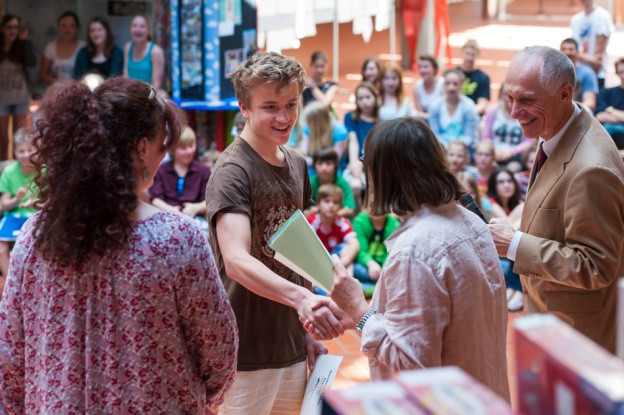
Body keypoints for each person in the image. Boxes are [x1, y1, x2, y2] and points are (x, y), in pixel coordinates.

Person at [0, 78, 238, 413]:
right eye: (162, 145)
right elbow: (218, 352)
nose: (163, 156)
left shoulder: (33, 239)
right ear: (142, 148)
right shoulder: (176, 240)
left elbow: (10, 359)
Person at [316, 117, 510, 401]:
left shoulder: (415, 250)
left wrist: (360, 311)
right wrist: (370, 314)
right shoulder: (470, 221)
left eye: (365, 162)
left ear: (384, 173)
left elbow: (411, 366)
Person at [205, 51, 349, 415]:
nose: (284, 117)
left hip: (291, 346)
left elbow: (295, 254)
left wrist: (303, 331)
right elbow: (236, 261)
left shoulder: (299, 163)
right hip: (244, 352)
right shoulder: (233, 170)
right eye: (270, 106)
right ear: (244, 107)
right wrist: (303, 301)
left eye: (291, 104)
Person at [488, 46, 624, 353]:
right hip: (554, 324)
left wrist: (514, 244)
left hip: (577, 339)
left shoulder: (590, 169)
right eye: (510, 98)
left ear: (565, 94)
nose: (514, 111)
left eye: (526, 100)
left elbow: (596, 265)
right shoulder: (563, 129)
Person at [149, 126, 212, 233]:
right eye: (183, 148)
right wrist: (171, 210)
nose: (189, 151)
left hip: (196, 220)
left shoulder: (204, 171)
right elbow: (155, 198)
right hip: (165, 219)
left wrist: (195, 208)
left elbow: (210, 201)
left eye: (191, 146)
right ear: (173, 150)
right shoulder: (161, 170)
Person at [0, 128, 38, 290]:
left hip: (37, 216)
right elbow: (4, 204)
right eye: (21, 151)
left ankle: (35, 285)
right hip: (13, 218)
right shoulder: (9, 171)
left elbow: (52, 201)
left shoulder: (44, 169)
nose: (26, 155)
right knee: (1, 248)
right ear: (15, 152)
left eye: (30, 150)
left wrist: (34, 203)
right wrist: (17, 198)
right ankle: (12, 288)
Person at [487, 169, 524, 312]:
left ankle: (515, 289)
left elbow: (509, 232)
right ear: (494, 186)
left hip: (510, 255)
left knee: (520, 240)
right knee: (519, 238)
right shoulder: (489, 203)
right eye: (501, 182)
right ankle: (515, 290)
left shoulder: (519, 205)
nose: (506, 185)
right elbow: (505, 228)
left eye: (509, 181)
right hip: (494, 257)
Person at [0, 14, 35, 161]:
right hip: (2, 99)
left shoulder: (23, 45)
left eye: (15, 27)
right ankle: (2, 173)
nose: (12, 31)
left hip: (20, 98)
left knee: (19, 138)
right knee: (3, 140)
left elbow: (31, 62)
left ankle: (18, 168)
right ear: (2, 29)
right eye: (9, 27)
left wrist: (23, 41)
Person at [307, 184, 360, 276]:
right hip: (317, 262)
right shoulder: (311, 221)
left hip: (337, 263)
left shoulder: (342, 222)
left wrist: (341, 265)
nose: (331, 205)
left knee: (347, 248)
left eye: (335, 202)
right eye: (327, 201)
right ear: (318, 204)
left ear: (340, 207)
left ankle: (345, 282)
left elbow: (355, 244)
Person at [481, 84, 535, 172]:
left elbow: (529, 141)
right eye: (505, 94)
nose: (508, 99)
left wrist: (511, 152)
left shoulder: (526, 113)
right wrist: (494, 150)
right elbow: (486, 137)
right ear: (500, 95)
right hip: (494, 152)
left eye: (512, 96)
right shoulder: (492, 111)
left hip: (516, 155)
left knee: (512, 169)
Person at [343, 82, 380, 208]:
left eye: (368, 97)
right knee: (355, 186)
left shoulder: (381, 122)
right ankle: (358, 217)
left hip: (372, 166)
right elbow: (353, 140)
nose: (364, 102)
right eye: (360, 98)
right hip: (355, 164)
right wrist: (354, 162)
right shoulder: (351, 117)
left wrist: (364, 164)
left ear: (375, 97)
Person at [352, 208, 400, 298]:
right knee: (357, 270)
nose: (376, 208)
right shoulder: (359, 221)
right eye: (372, 204)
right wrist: (370, 263)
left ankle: (367, 289)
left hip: (384, 267)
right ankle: (382, 289)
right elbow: (360, 251)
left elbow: (390, 253)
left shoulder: (395, 224)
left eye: (380, 204)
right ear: (365, 206)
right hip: (365, 266)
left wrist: (384, 270)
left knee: (396, 273)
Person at [428, 68, 479, 151]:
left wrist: (455, 148)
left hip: (462, 150)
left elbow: (469, 136)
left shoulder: (469, 106)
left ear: (461, 85)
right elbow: (434, 133)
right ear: (443, 85)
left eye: (455, 84)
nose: (451, 87)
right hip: (441, 149)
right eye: (447, 83)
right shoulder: (435, 106)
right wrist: (445, 146)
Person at [570, 0, 614, 90]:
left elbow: (598, 60)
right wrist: (590, 59)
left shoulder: (602, 16)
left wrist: (580, 56)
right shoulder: (575, 19)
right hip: (578, 73)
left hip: (597, 74)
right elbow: (573, 50)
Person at [299, 101, 348, 171]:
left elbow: (335, 159)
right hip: (312, 165)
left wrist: (313, 161)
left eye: (309, 121)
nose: (307, 123)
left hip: (331, 168)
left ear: (317, 122)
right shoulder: (307, 127)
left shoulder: (340, 131)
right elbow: (303, 153)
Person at [307, 148, 355, 219]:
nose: (324, 167)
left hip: (337, 218)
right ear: (314, 166)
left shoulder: (342, 183)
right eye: (320, 163)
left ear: (335, 165)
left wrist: (331, 214)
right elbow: (305, 210)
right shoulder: (310, 183)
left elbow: (350, 209)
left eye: (328, 163)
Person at [40, 11, 84, 85]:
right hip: (56, 90)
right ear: (58, 27)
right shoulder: (50, 47)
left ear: (77, 28)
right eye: (64, 25)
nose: (67, 29)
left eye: (71, 26)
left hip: (77, 91)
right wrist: (59, 83)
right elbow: (43, 75)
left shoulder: (83, 47)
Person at [123, 14, 165, 90]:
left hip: (148, 97)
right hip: (129, 95)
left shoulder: (156, 51)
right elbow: (125, 78)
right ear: (130, 29)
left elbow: (156, 85)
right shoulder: (127, 47)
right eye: (134, 26)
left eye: (142, 26)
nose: (137, 29)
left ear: (148, 30)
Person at [560, 38, 598, 111]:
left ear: (577, 52)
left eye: (571, 49)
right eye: (564, 49)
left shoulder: (587, 73)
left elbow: (590, 102)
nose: (567, 52)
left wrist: (572, 110)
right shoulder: (553, 72)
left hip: (578, 111)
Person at [594, 57, 624, 149]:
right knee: (606, 128)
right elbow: (600, 116)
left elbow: (604, 115)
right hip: (609, 135)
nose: (623, 75)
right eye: (621, 72)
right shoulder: (607, 92)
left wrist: (610, 110)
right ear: (617, 73)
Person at [457, 39, 490, 116]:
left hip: (472, 115)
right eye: (467, 54)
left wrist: (467, 114)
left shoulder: (483, 78)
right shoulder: (453, 74)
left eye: (473, 55)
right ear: (462, 52)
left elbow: (482, 105)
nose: (469, 58)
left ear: (478, 55)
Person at [412, 54, 444, 120]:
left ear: (434, 69)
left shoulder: (443, 84)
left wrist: (426, 116)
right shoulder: (417, 87)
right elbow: (419, 113)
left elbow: (445, 112)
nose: (422, 70)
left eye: (426, 67)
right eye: (420, 67)